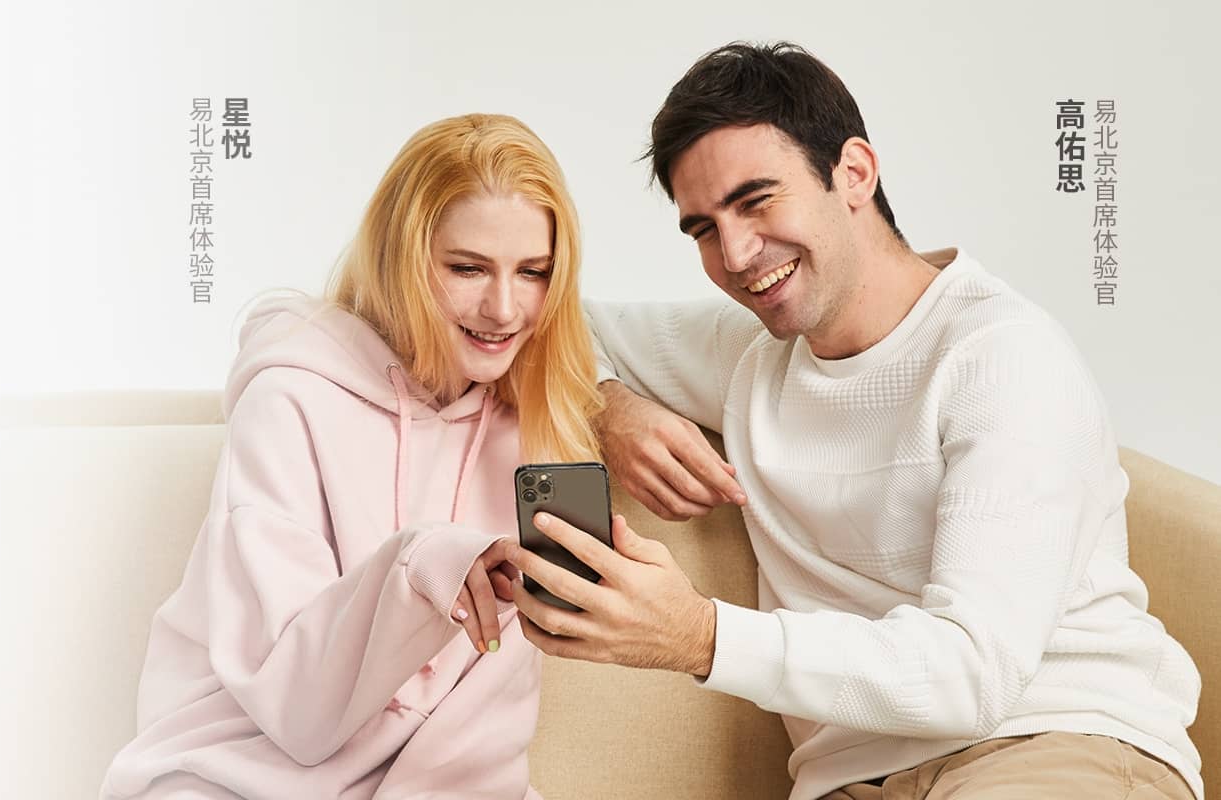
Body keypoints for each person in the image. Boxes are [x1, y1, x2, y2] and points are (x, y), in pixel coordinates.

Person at [504, 41, 1201, 800]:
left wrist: (701, 635)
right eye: (703, 228)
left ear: (855, 173)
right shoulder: (748, 352)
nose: (735, 253)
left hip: (1052, 741)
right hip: (850, 779)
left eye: (756, 200)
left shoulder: (1002, 358)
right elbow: (542, 321)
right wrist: (608, 405)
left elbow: (973, 675)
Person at [101, 113, 600, 799]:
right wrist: (418, 566)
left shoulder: (537, 436)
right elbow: (293, 709)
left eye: (534, 272)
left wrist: (629, 411)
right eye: (467, 268)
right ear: (402, 260)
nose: (504, 308)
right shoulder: (291, 400)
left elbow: (489, 726)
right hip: (240, 770)